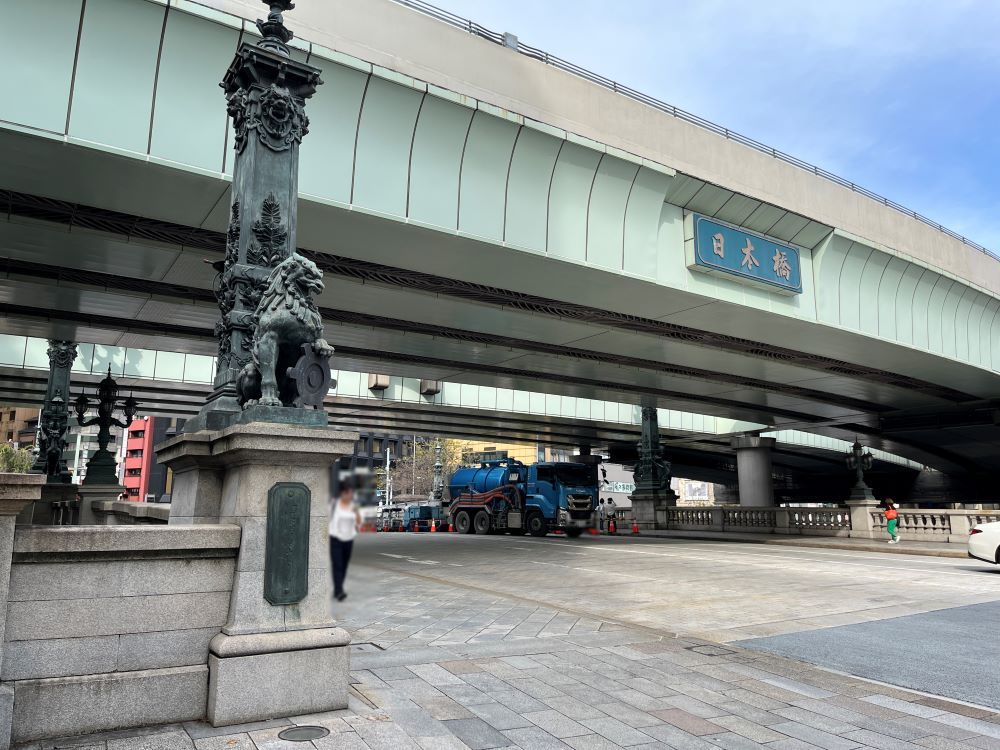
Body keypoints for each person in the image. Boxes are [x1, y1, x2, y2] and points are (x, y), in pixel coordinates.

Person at [329, 476, 362, 602]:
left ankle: (339, 588)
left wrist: (356, 512)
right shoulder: (334, 504)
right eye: (349, 493)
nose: (351, 495)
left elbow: (358, 523)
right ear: (343, 493)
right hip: (335, 539)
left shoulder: (352, 506)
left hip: (348, 540)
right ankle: (339, 591)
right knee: (337, 565)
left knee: (344, 565)